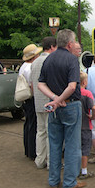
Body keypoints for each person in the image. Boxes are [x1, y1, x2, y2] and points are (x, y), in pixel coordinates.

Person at [38, 29, 85, 188]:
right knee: (72, 145)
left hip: (53, 109)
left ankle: (53, 180)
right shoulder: (72, 60)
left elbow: (40, 84)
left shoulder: (48, 59)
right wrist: (60, 100)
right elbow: (72, 86)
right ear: (70, 44)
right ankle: (70, 182)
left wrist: (54, 99)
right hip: (70, 106)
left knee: (55, 144)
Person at [30, 37, 57, 169]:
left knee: (40, 131)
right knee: (50, 131)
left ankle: (40, 160)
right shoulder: (50, 61)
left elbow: (32, 83)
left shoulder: (34, 62)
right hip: (48, 101)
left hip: (37, 101)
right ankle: (51, 162)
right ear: (52, 47)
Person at [19, 43, 42, 160]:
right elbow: (32, 84)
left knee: (28, 123)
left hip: (25, 98)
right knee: (34, 124)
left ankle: (28, 149)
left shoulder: (23, 66)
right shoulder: (30, 68)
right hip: (31, 97)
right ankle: (33, 151)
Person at [79, 72, 95, 179]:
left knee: (75, 147)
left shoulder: (71, 92)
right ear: (84, 82)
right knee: (85, 148)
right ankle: (84, 171)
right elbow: (93, 107)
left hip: (75, 125)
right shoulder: (87, 93)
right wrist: (92, 116)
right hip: (86, 124)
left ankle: (74, 168)